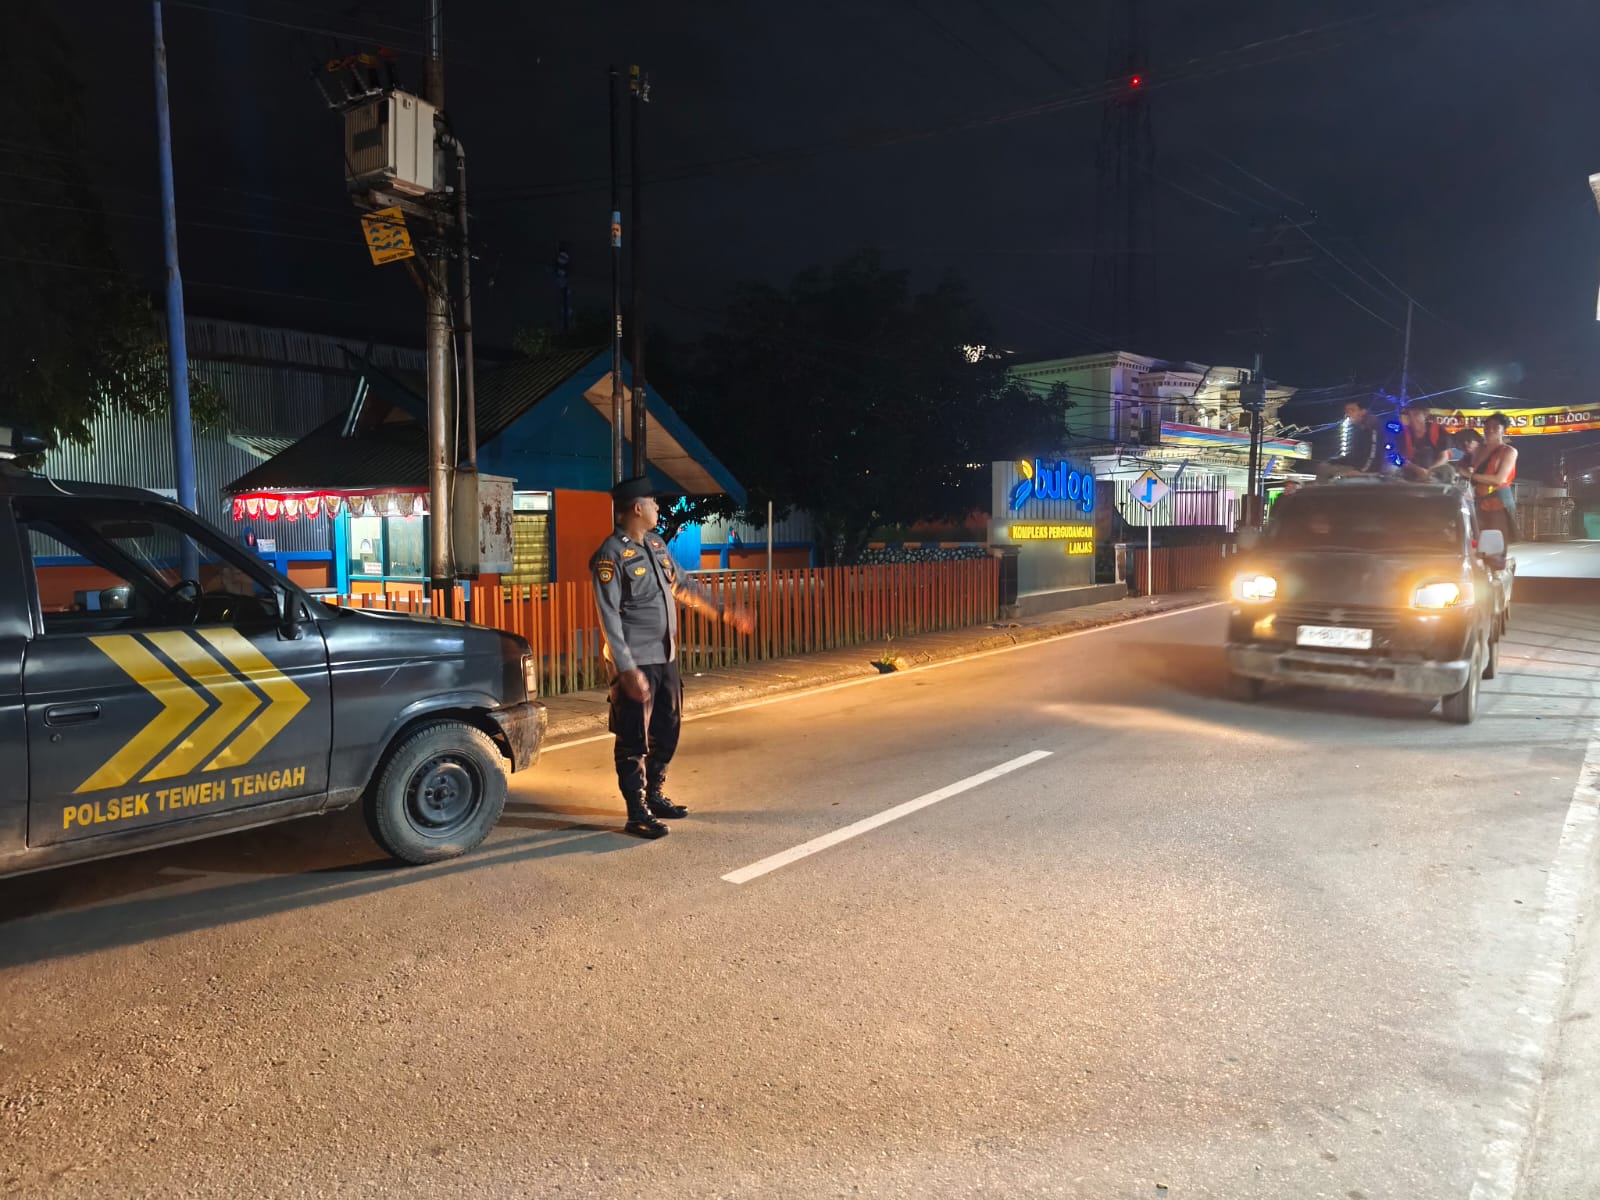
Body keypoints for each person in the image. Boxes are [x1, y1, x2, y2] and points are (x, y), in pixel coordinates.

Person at [591, 476, 754, 839]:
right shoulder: (610, 555)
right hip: (635, 661)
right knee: (633, 737)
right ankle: (636, 812)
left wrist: (723, 612)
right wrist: (626, 669)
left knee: (667, 729)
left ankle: (654, 795)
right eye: (653, 502)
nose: (658, 507)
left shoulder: (655, 544)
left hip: (665, 656)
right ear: (637, 508)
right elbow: (609, 618)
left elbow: (683, 586)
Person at [1468, 413, 1519, 544]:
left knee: (1495, 549)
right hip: (1478, 505)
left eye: (1495, 427)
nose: (1490, 429)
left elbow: (1499, 479)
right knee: (1476, 546)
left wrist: (1471, 475)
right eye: (1487, 426)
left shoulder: (1509, 451)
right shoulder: (1478, 451)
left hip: (1499, 505)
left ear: (1503, 430)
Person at [1317, 399, 1383, 478]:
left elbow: (1373, 454)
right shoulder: (1358, 430)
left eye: (1352, 410)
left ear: (1363, 411)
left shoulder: (1373, 428)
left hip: (1369, 470)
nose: (1348, 414)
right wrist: (1333, 461)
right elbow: (1353, 456)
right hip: (1356, 468)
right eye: (1346, 411)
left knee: (1327, 470)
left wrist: (1360, 471)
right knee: (1324, 466)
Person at [1398, 400, 1448, 481]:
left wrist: (1429, 471)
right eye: (1409, 415)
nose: (1412, 419)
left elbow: (1444, 457)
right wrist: (1418, 470)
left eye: (1416, 414)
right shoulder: (1403, 434)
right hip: (1411, 475)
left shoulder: (1439, 430)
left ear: (1425, 415)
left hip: (1434, 475)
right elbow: (1401, 459)